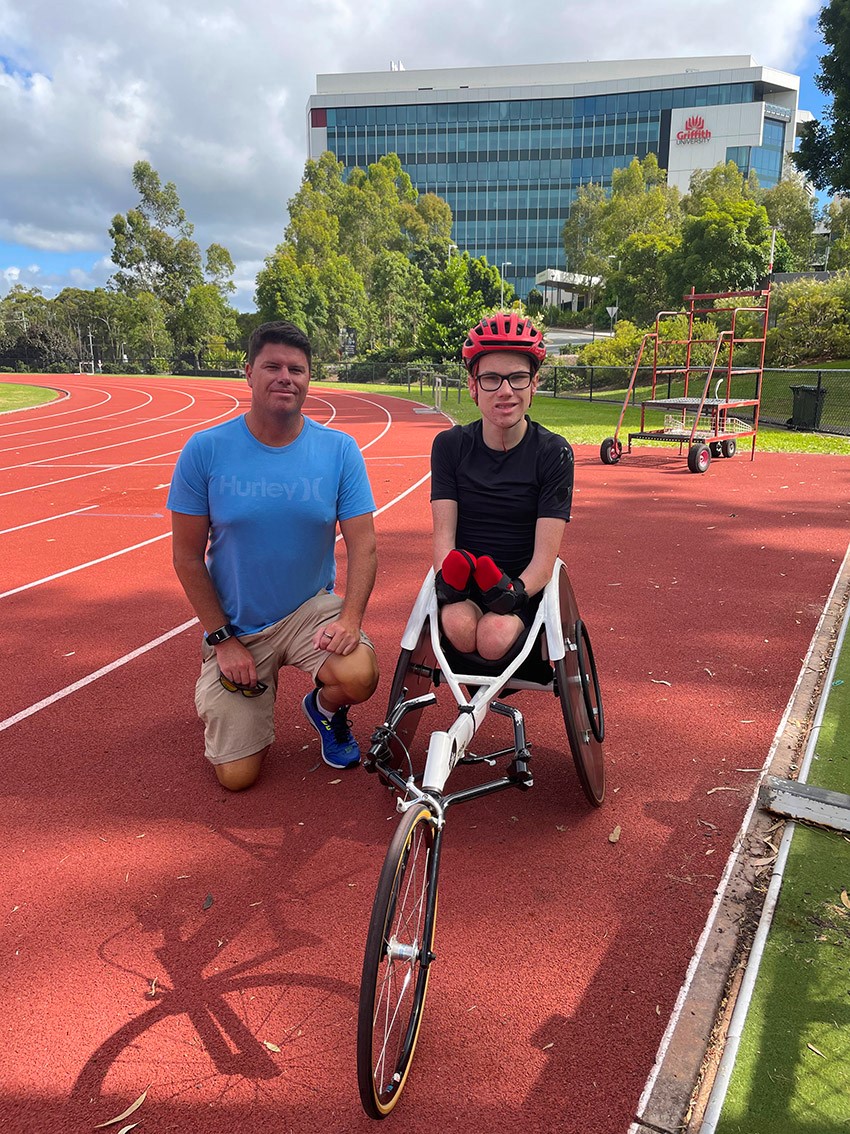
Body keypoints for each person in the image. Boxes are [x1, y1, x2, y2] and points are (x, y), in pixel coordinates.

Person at [167, 320, 379, 791]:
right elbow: (185, 557)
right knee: (237, 778)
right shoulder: (205, 450)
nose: (286, 376)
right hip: (238, 625)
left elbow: (364, 545)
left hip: (310, 612)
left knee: (360, 674)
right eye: (273, 366)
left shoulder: (339, 450)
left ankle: (325, 710)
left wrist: (350, 618)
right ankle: (225, 690)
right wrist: (222, 639)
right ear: (248, 373)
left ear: (309, 379)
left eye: (297, 369)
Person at [430, 311, 574, 662]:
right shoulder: (449, 446)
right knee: (460, 629)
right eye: (492, 378)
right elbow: (443, 538)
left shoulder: (554, 453)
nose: (506, 391)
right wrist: (448, 584)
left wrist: (516, 594)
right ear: (473, 386)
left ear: (534, 384)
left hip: (520, 587)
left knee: (494, 638)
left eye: (518, 378)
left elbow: (545, 558)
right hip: (463, 583)